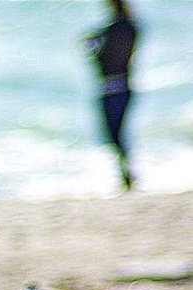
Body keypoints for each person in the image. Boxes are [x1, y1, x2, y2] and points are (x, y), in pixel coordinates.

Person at [85, 0, 139, 190]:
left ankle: (127, 176)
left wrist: (94, 50)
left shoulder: (115, 29)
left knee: (115, 135)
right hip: (122, 86)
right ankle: (126, 175)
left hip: (113, 88)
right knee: (116, 135)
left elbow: (103, 57)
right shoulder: (129, 27)